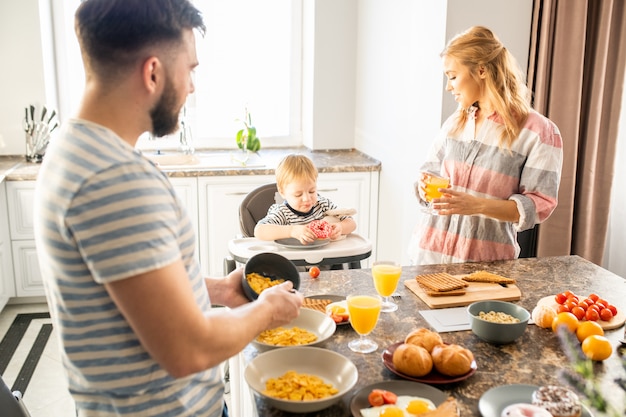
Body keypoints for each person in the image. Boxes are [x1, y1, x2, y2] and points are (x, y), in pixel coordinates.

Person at [32, 1, 303, 416]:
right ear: (153, 71)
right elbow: (186, 348)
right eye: (190, 69)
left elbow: (122, 291)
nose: (193, 87)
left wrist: (213, 290)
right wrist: (265, 310)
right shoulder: (114, 179)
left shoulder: (74, 151)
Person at [409, 26, 563, 265]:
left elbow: (538, 205)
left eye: (452, 76)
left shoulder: (538, 132)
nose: (449, 87)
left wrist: (476, 205)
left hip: (486, 266)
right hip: (428, 257)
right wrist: (423, 185)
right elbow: (430, 171)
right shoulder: (456, 123)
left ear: (481, 70)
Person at [254, 154, 357, 245]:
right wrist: (292, 231)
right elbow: (259, 231)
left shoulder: (322, 204)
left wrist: (340, 227)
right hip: (294, 263)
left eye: (312, 191)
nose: (307, 198)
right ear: (282, 192)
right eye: (298, 195)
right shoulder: (282, 213)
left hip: (326, 261)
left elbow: (351, 223)